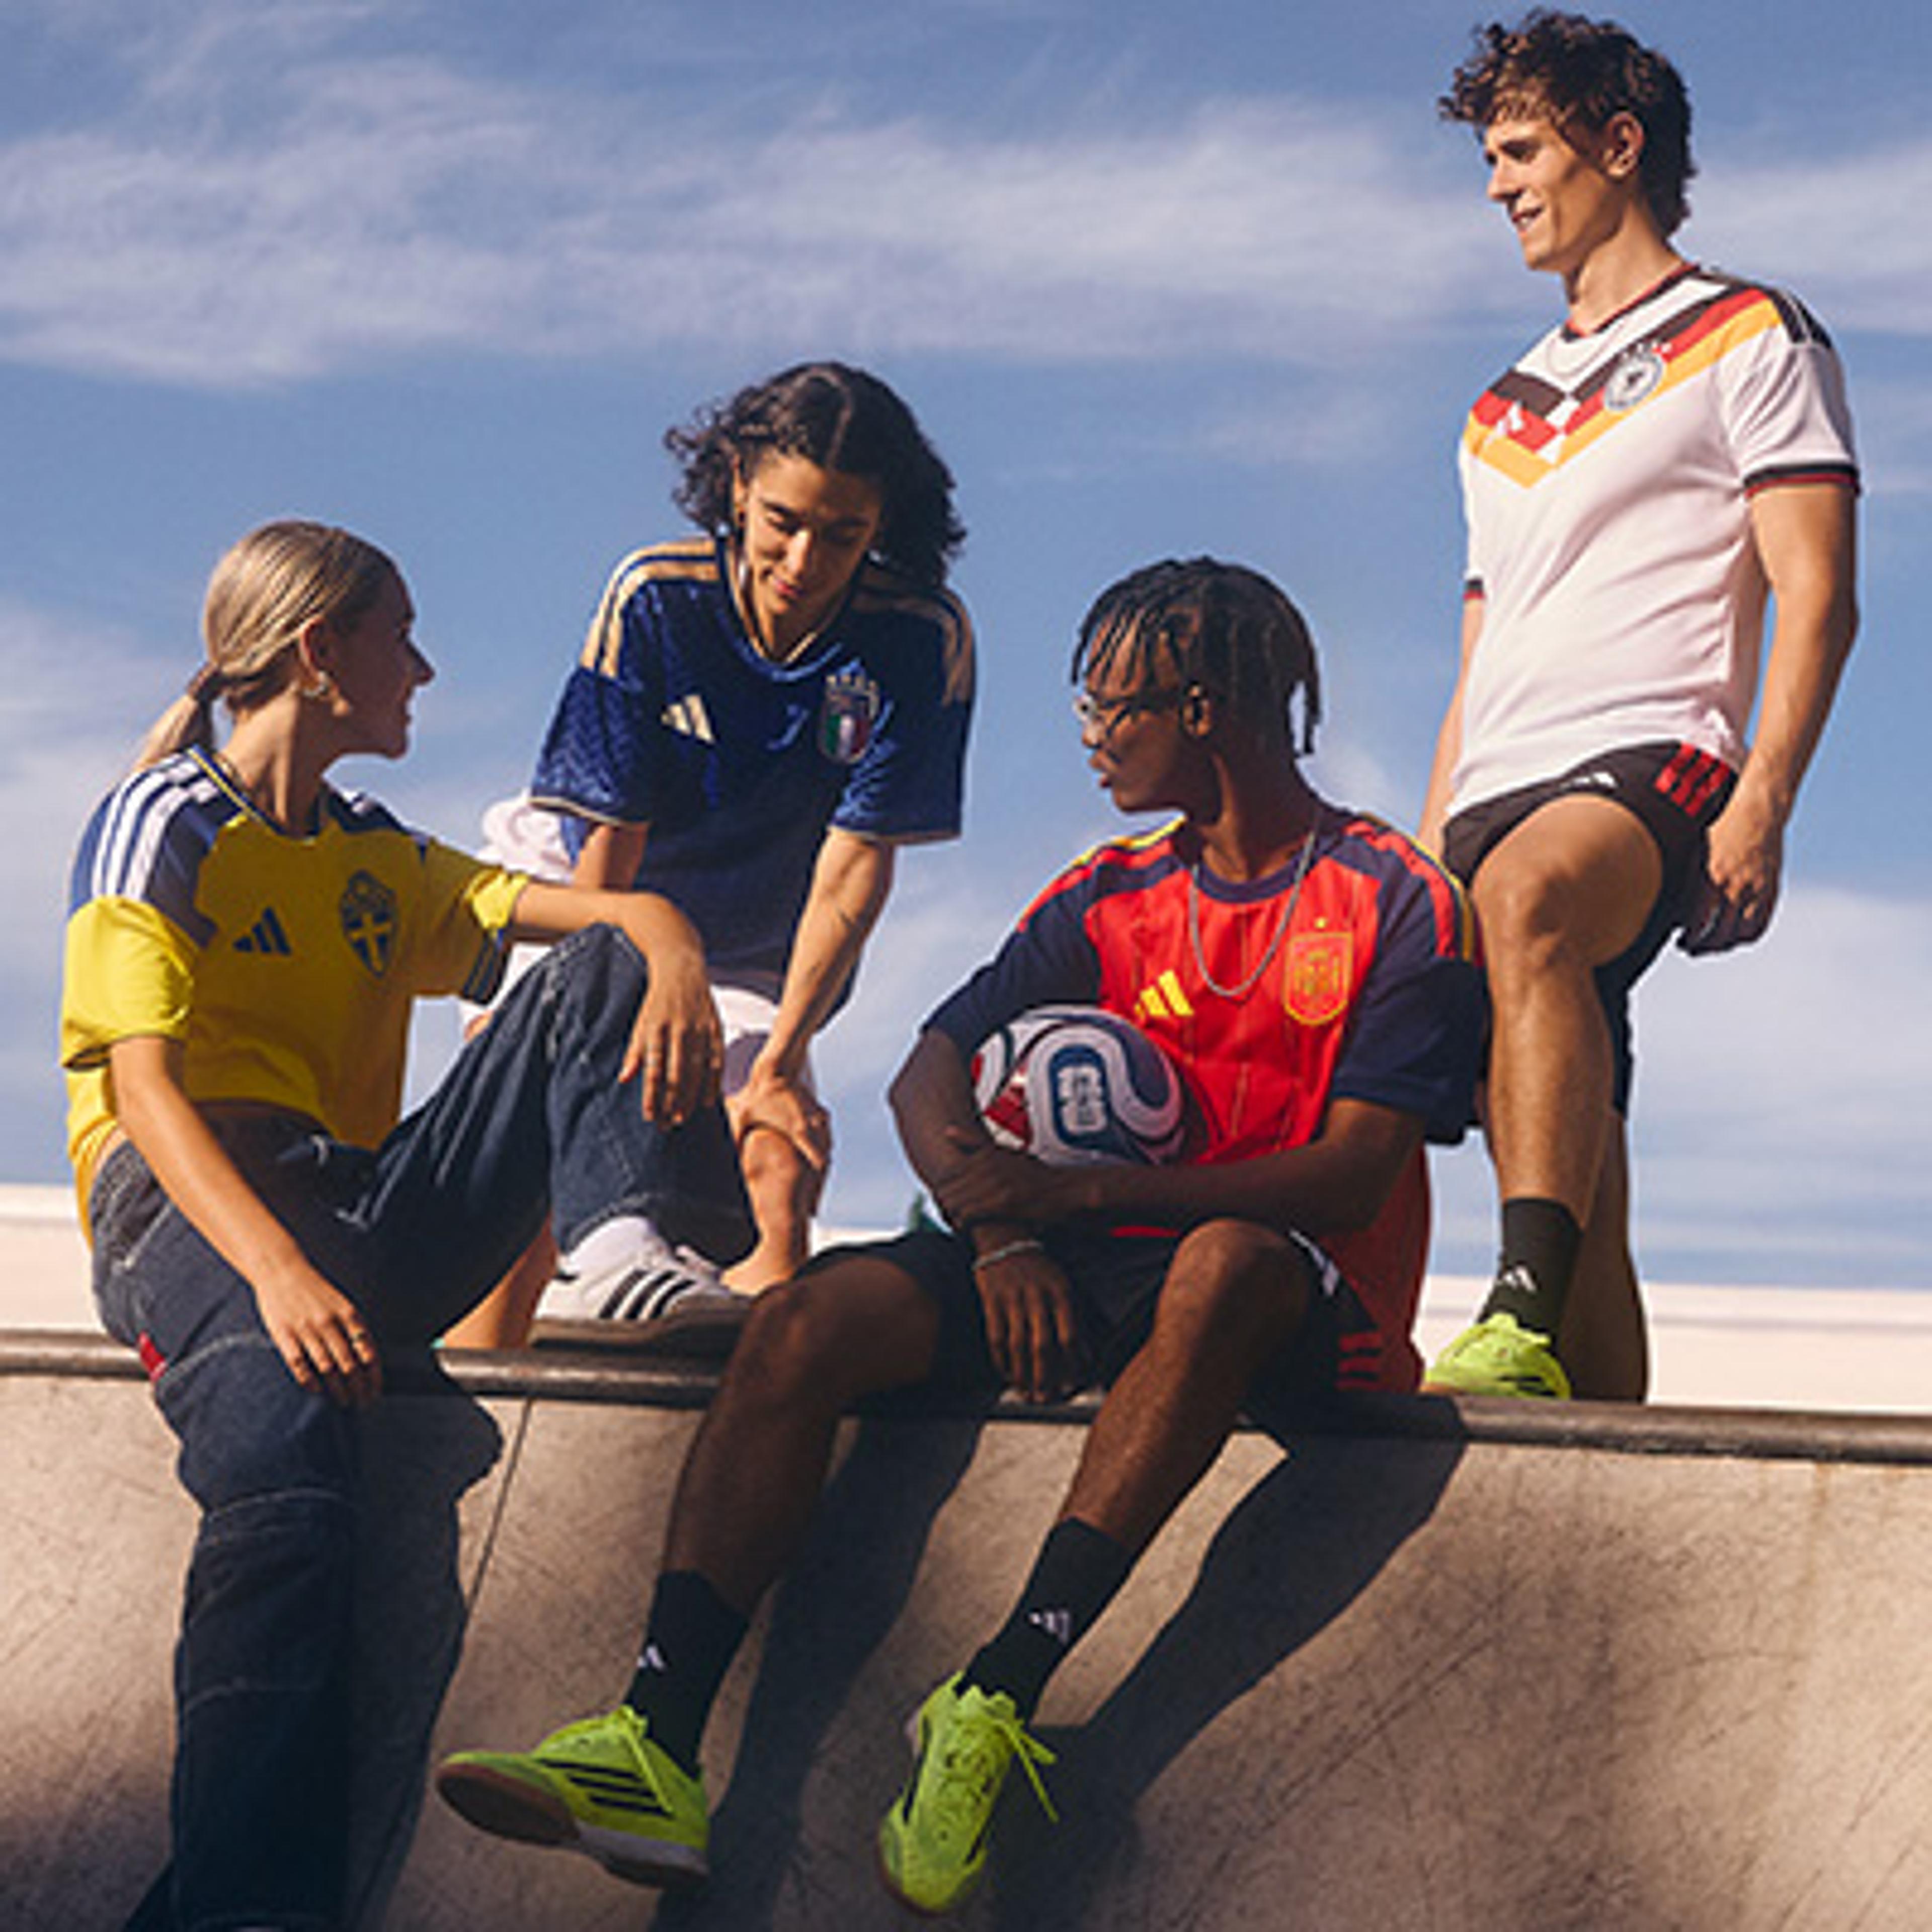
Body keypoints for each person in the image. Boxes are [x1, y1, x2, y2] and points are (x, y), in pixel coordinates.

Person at [435, 557, 1484, 1912]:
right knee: (805, 1317)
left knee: (1225, 1261)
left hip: (1290, 1289)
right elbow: (929, 1074)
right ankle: (650, 1736)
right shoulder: (1104, 893)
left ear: (1207, 710)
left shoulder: (1399, 895)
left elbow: (1353, 1173)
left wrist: (1070, 1205)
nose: (1093, 737)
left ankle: (996, 1693)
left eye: (1117, 709)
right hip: (1060, 1245)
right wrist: (1001, 1238)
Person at [61, 520, 755, 1930]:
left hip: (367, 1211)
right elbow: (142, 1090)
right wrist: (273, 1270)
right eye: (403, 638)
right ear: (321, 654)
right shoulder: (164, 820)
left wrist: (670, 930)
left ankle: (625, 1241)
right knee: (291, 1481)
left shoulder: (378, 856)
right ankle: (239, 1910)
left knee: (611, 955)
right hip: (191, 1203)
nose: (425, 671)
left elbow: (582, 925)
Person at [1418, 10, 1859, 1401]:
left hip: (1655, 758)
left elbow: (1818, 592)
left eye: (1521, 149)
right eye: (1491, 156)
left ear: (1621, 147)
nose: (1498, 184)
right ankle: (1598, 1447)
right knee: (1581, 1164)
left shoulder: (1753, 333)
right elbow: (1478, 646)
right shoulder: (1496, 406)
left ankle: (1511, 1311)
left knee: (1538, 899)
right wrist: (1424, 864)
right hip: (1497, 779)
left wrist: (1763, 797)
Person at [445, 361, 974, 1346]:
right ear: (736, 482)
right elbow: (610, 848)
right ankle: (460, 1436)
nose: (805, 559)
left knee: (778, 1157)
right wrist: (580, 1026)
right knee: (536, 1186)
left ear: (884, 524)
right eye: (783, 521)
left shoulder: (918, 637)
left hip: (755, 939)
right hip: (597, 899)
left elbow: (854, 874)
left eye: (843, 534)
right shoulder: (658, 600)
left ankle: (749, 1429)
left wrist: (782, 1057)